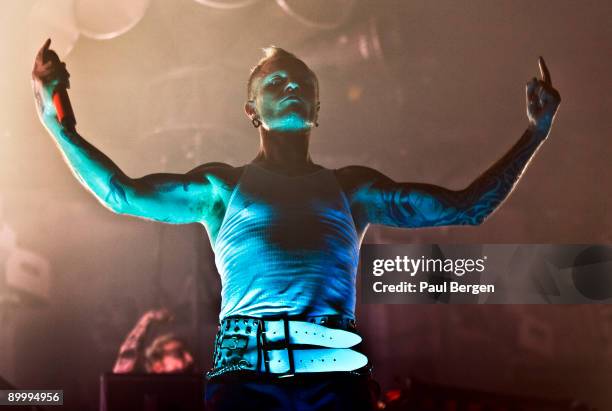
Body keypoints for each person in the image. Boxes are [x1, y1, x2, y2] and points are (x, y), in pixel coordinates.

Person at [31, 40, 560, 410]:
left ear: (316, 107)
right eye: (275, 80)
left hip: (333, 379)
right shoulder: (220, 187)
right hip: (246, 379)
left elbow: (466, 207)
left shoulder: (352, 189)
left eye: (301, 82)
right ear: (251, 110)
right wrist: (56, 125)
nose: (290, 85)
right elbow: (122, 194)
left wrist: (535, 133)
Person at [112, 308, 194, 374]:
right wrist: (147, 318)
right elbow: (127, 355)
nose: (189, 358)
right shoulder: (136, 389)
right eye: (179, 353)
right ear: (157, 366)